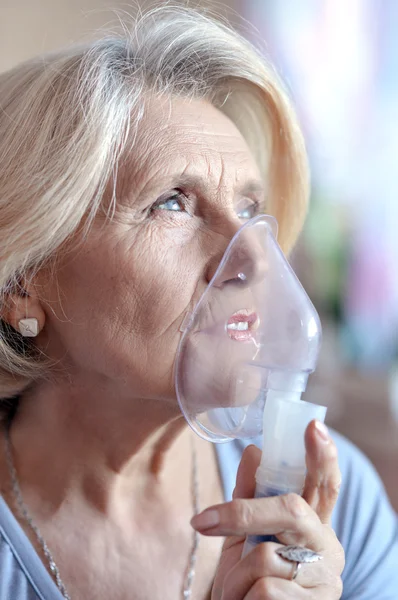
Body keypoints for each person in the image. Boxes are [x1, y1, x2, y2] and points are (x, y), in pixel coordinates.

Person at [0, 5, 396, 600]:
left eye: (249, 210)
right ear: (24, 281)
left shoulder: (333, 512)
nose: (255, 259)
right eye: (172, 203)